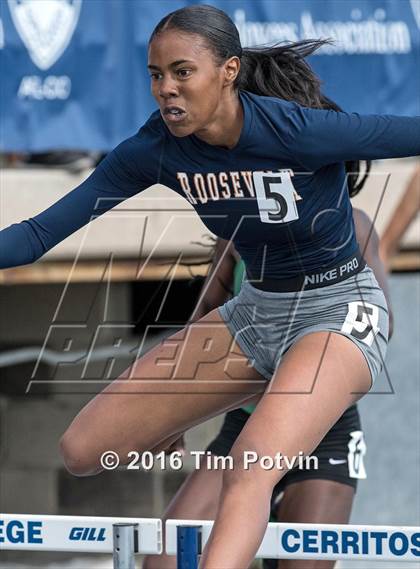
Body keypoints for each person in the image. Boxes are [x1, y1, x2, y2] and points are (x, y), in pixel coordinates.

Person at [1, 5, 419, 567]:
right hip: (257, 313)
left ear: (228, 71)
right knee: (84, 449)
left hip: (338, 309)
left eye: (181, 72)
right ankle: (246, 392)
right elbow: (35, 236)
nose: (166, 90)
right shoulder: (155, 149)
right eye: (155, 75)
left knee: (248, 469)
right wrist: (182, 404)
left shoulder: (294, 131)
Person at [143, 205, 392, 569]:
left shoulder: (351, 223)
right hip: (242, 426)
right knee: (167, 561)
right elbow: (204, 318)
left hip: (324, 434)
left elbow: (382, 326)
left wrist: (308, 362)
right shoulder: (238, 226)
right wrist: (173, 417)